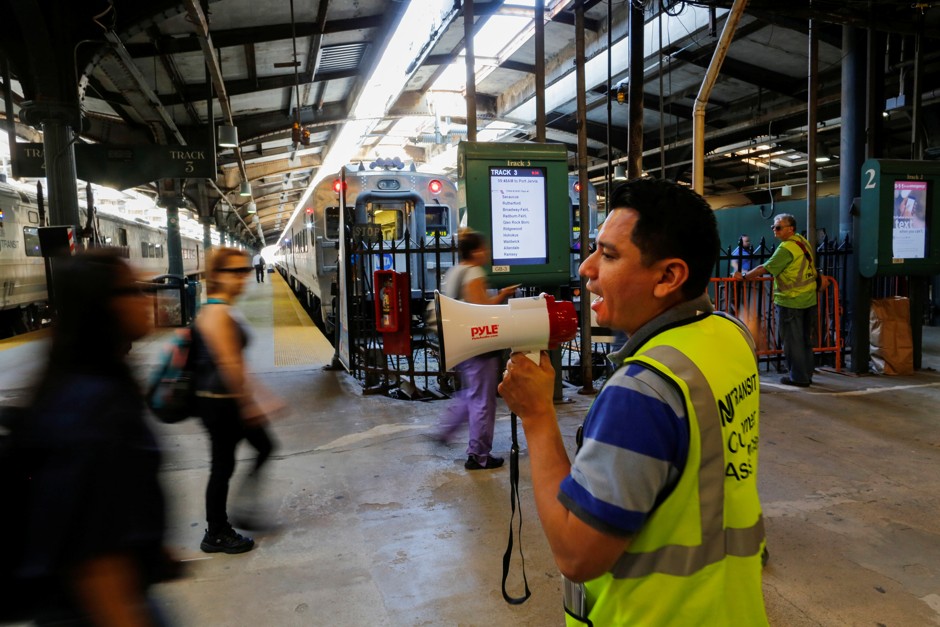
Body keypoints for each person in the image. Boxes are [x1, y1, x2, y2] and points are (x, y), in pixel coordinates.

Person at [498, 178, 768, 625]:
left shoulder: (643, 391)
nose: (587, 268)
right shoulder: (728, 335)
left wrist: (538, 416)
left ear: (668, 276)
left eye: (608, 254)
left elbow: (576, 555)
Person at [18, 250, 179, 625]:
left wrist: (146, 546)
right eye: (134, 291)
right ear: (105, 308)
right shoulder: (95, 408)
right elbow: (94, 564)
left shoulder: (87, 386)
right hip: (97, 609)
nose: (149, 299)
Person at [193, 247, 278, 553]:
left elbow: (237, 364)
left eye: (245, 271)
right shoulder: (217, 313)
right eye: (236, 272)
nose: (244, 278)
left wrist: (262, 397)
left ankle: (236, 516)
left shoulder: (221, 308)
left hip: (222, 400)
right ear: (216, 275)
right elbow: (230, 365)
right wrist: (250, 404)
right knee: (223, 466)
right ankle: (216, 531)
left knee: (259, 449)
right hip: (220, 403)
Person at [435, 230, 518, 470]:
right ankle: (479, 455)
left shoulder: (455, 271)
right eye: (484, 248)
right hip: (478, 342)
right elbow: (481, 310)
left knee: (472, 392)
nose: (487, 253)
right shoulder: (474, 273)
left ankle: (447, 430)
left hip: (459, 340)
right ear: (475, 252)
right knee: (483, 399)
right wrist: (502, 295)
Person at [735, 213, 817, 387]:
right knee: (805, 340)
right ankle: (806, 374)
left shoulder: (786, 248)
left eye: (778, 227)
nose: (774, 230)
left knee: (792, 341)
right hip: (809, 298)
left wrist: (743, 276)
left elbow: (765, 267)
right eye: (773, 227)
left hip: (791, 301)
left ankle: (798, 377)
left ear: (790, 229)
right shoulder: (802, 241)